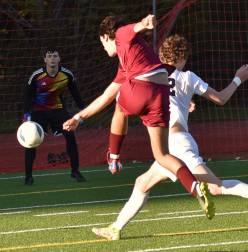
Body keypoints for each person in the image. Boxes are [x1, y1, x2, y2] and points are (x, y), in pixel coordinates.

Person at [91, 34, 248, 240]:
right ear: (182, 58)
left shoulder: (149, 75)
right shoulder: (187, 77)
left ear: (160, 55)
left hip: (172, 145)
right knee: (142, 183)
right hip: (176, 143)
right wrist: (238, 78)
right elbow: (221, 98)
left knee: (215, 186)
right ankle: (115, 228)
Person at [63, 15, 215, 219]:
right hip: (160, 95)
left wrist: (144, 24)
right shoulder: (130, 60)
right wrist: (79, 117)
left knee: (119, 107)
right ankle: (195, 188)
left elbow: (129, 30)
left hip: (143, 88)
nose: (104, 47)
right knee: (162, 155)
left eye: (102, 42)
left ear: (105, 37)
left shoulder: (119, 35)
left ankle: (113, 157)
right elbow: (104, 95)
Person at [23, 47, 86, 185]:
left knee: (71, 136)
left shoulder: (67, 75)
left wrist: (83, 110)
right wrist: (26, 115)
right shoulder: (36, 76)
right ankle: (28, 176)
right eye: (49, 56)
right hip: (38, 112)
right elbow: (28, 96)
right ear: (45, 59)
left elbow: (75, 93)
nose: (52, 58)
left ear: (59, 59)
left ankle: (75, 171)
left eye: (55, 56)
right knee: (31, 143)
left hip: (58, 110)